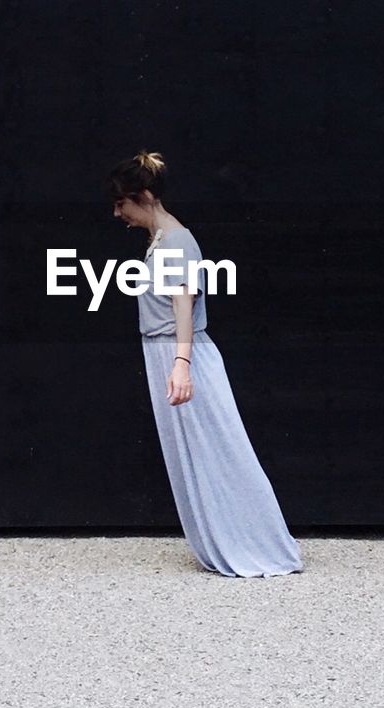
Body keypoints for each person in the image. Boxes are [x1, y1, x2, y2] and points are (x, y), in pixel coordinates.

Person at [106, 150, 304, 578]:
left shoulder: (176, 240)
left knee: (220, 449)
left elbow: (184, 300)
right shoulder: (161, 240)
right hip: (169, 352)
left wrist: (181, 363)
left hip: (182, 352)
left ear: (143, 196)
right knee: (199, 453)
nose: (117, 212)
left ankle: (258, 542)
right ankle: (226, 535)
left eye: (122, 203)